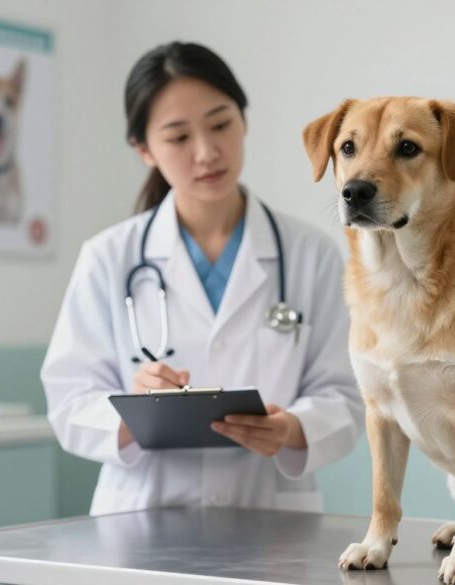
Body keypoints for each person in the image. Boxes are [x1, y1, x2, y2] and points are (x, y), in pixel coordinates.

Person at [42, 41, 363, 515]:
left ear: (244, 120)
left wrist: (294, 428)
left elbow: (347, 393)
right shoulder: (109, 257)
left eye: (220, 124)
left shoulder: (310, 253)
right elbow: (69, 401)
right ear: (144, 149)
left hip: (273, 522)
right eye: (178, 137)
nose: (207, 152)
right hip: (141, 518)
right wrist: (134, 410)